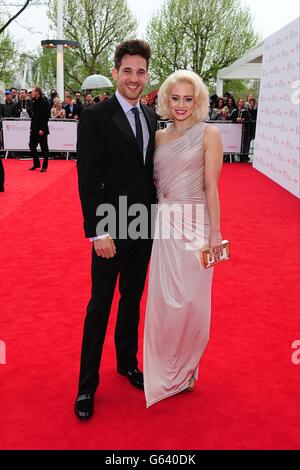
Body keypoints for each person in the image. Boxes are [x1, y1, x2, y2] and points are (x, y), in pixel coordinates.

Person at [75, 39, 157, 421]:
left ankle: (127, 363)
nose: (134, 78)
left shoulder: (151, 117)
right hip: (110, 226)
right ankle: (86, 386)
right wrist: (97, 232)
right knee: (100, 305)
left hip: (143, 226)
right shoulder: (95, 117)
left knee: (132, 298)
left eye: (141, 71)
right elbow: (87, 179)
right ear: (115, 73)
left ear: (146, 75)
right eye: (128, 70)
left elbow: (147, 175)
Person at [143, 70, 223, 407]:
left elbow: (211, 187)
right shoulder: (158, 138)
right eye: (175, 98)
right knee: (166, 303)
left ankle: (189, 366)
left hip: (196, 226)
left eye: (188, 99)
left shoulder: (210, 133)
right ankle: (166, 368)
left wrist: (216, 233)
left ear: (198, 101)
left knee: (193, 302)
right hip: (164, 226)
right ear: (165, 99)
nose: (181, 105)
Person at [28, 86, 51, 172]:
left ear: (37, 92)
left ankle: (44, 166)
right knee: (31, 145)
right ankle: (36, 163)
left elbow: (46, 117)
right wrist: (31, 128)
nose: (32, 93)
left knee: (44, 148)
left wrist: (42, 129)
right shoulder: (34, 102)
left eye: (33, 91)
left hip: (42, 129)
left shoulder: (45, 102)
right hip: (34, 128)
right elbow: (33, 117)